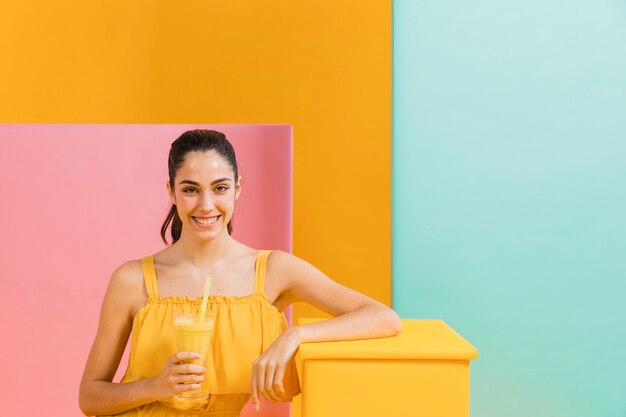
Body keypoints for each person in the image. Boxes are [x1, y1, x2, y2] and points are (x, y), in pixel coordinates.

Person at [79, 129, 402, 417]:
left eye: (219, 188)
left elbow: (383, 317)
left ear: (237, 189)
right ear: (171, 191)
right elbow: (90, 397)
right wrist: (155, 387)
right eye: (191, 189)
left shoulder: (273, 270)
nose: (206, 205)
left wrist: (294, 335)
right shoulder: (132, 279)